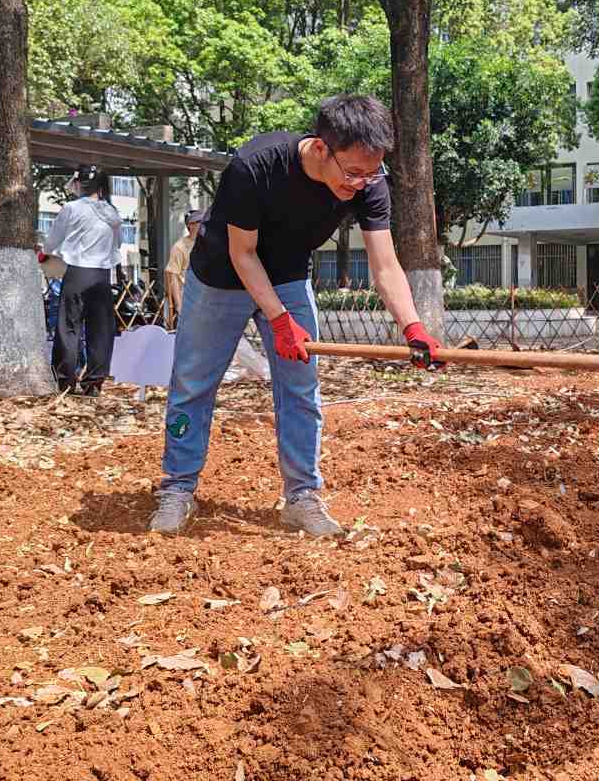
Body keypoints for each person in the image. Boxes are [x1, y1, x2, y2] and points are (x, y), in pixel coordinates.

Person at [149, 95, 443, 537]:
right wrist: (280, 320)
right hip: (220, 276)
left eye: (371, 173)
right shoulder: (255, 165)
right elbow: (243, 254)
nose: (361, 183)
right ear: (321, 148)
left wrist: (413, 327)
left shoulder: (369, 183)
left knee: (301, 389)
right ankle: (177, 488)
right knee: (193, 383)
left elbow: (385, 266)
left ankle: (302, 496)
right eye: (353, 173)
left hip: (288, 277)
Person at [39, 164, 122, 396]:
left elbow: (52, 240)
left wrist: (44, 253)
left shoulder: (71, 208)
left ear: (79, 184)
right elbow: (117, 246)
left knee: (69, 327)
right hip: (102, 276)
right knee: (100, 329)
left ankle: (66, 381)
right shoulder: (112, 213)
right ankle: (94, 382)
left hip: (77, 272)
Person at [164, 209, 205, 327]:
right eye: (199, 222)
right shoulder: (179, 247)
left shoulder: (207, 244)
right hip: (189, 298)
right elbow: (173, 277)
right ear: (190, 225)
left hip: (206, 297)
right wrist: (179, 305)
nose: (202, 224)